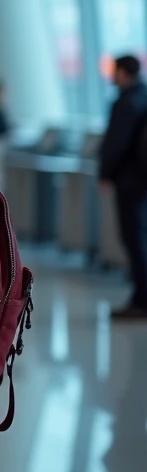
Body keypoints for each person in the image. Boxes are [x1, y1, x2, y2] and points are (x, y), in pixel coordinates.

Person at [99, 55, 147, 319]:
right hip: (141, 179)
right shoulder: (142, 96)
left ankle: (141, 300)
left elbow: (116, 142)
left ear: (123, 72)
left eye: (115, 71)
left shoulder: (127, 101)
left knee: (134, 238)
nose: (112, 76)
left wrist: (105, 173)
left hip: (130, 181)